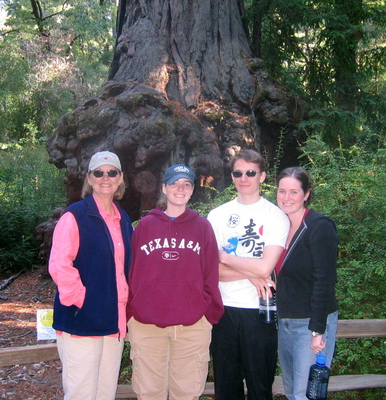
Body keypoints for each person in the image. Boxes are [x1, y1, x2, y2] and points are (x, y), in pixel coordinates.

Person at [126, 164, 224, 400]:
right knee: (149, 392)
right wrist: (132, 310)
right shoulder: (146, 226)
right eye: (174, 184)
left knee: (187, 392)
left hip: (192, 326)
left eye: (186, 184)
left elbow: (211, 274)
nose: (180, 189)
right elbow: (132, 272)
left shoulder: (202, 227)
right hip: (147, 324)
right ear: (164, 188)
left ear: (192, 191)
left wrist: (207, 314)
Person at [49, 151, 133, 400]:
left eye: (111, 172)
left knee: (105, 393)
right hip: (82, 320)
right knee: (81, 393)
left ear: (120, 178)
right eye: (99, 172)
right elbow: (59, 265)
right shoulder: (75, 215)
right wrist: (83, 300)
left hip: (113, 319)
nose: (105, 177)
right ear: (89, 178)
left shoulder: (123, 219)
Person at [207, 149, 290, 400]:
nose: (245, 178)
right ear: (232, 177)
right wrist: (251, 273)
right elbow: (210, 273)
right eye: (238, 172)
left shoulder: (275, 215)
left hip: (260, 311)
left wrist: (225, 257)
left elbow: (266, 269)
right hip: (223, 312)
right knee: (226, 386)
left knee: (260, 386)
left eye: (251, 172)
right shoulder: (216, 216)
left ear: (262, 176)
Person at [275, 166, 338, 400]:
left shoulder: (319, 227)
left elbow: (325, 281)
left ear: (306, 193)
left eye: (294, 192)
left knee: (306, 395)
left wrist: (318, 330)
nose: (287, 198)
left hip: (310, 324)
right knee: (292, 392)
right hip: (285, 322)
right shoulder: (279, 227)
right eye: (282, 191)